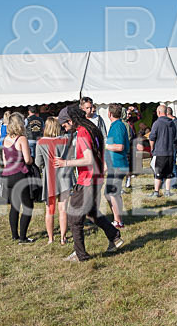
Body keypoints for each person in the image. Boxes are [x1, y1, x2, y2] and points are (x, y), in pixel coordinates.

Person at [55, 104, 123, 262]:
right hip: (96, 178)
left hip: (87, 180)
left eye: (64, 125)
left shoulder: (83, 132)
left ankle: (81, 255)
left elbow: (88, 159)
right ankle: (115, 236)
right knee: (91, 212)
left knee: (74, 218)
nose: (64, 129)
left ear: (71, 120)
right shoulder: (92, 128)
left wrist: (65, 163)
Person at [35, 115, 75, 244]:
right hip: (64, 177)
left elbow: (38, 162)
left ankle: (51, 238)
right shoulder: (66, 140)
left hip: (50, 179)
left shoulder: (40, 142)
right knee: (63, 208)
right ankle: (63, 238)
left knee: (50, 210)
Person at [1, 112, 35, 244]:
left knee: (14, 206)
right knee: (27, 206)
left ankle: (14, 235)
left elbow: (5, 161)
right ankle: (23, 237)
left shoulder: (5, 139)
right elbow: (27, 159)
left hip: (8, 175)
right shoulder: (21, 139)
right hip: (20, 174)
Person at [104, 104, 129, 229]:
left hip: (118, 165)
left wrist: (105, 145)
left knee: (113, 193)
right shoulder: (115, 126)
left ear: (109, 114)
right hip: (114, 164)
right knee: (109, 193)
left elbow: (120, 147)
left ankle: (118, 221)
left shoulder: (118, 126)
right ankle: (116, 218)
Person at [147, 105, 177, 197]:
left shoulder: (157, 123)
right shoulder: (172, 123)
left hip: (160, 151)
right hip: (170, 151)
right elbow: (175, 136)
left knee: (158, 173)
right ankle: (167, 191)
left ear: (159, 112)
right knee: (169, 173)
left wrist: (152, 148)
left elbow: (152, 137)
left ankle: (156, 192)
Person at [165, 107, 177, 182]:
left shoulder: (175, 122)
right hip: (171, 146)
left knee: (172, 163)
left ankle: (174, 182)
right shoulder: (173, 122)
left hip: (173, 146)